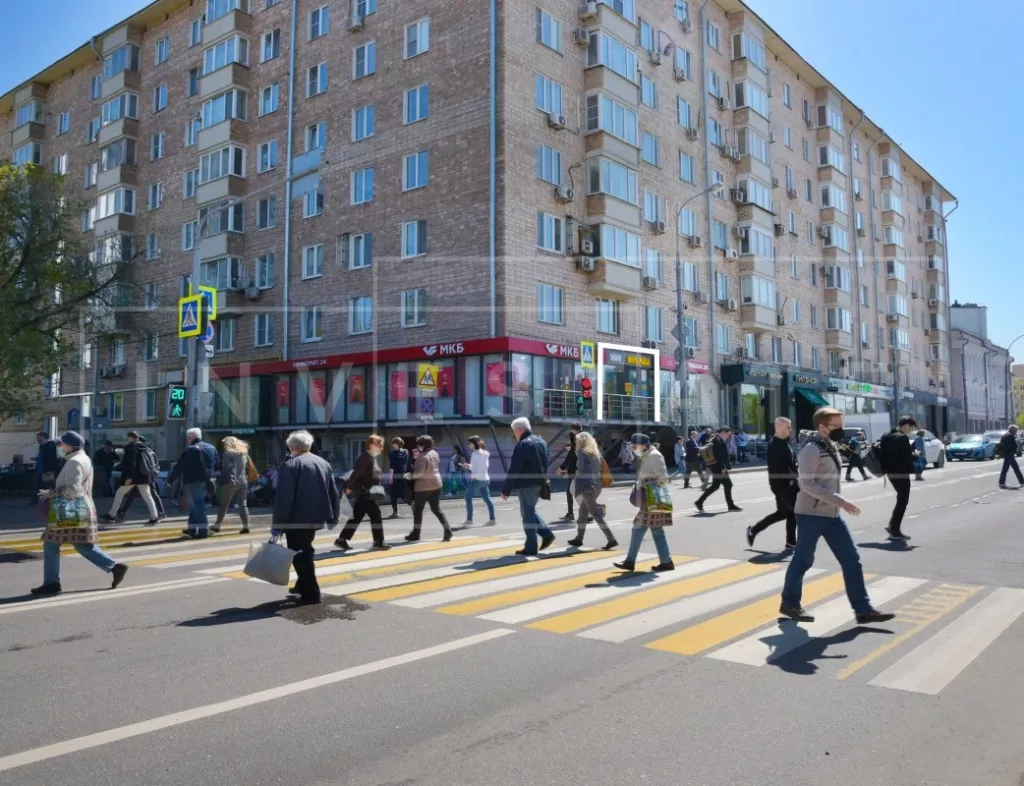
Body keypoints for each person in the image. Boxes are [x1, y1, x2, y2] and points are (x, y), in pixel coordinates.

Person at [779, 408, 896, 625]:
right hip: (811, 513)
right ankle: (789, 603)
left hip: (831, 514)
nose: (842, 430)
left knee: (852, 560)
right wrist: (841, 501)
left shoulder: (829, 445)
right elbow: (807, 484)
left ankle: (863, 610)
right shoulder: (811, 450)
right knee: (803, 560)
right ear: (822, 427)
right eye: (837, 426)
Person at [31, 431, 129, 595]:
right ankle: (114, 567)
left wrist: (51, 493)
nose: (59, 447)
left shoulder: (74, 462)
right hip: (80, 507)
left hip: (70, 508)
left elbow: (72, 490)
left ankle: (52, 583)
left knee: (52, 543)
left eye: (61, 444)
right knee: (80, 544)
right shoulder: (83, 458)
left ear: (69, 446)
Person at [273, 430, 340, 604]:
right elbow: (333, 491)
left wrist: (277, 524)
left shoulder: (290, 465)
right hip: (316, 517)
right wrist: (334, 516)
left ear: (292, 447)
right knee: (306, 550)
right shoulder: (323, 463)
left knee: (300, 555)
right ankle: (301, 586)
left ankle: (311, 593)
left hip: (295, 519)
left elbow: (284, 498)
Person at [613, 434, 674, 572]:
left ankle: (630, 561)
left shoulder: (654, 456)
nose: (633, 448)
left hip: (653, 498)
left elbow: (664, 478)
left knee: (638, 529)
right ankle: (666, 562)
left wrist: (646, 484)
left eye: (635, 445)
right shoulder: (647, 455)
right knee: (656, 530)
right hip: (651, 498)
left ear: (644, 445)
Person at [500, 417, 555, 556]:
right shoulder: (541, 442)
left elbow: (515, 469)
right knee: (529, 511)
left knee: (527, 515)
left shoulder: (523, 445)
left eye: (515, 432)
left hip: (526, 485)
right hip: (539, 483)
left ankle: (531, 546)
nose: (515, 435)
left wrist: (506, 489)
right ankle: (546, 533)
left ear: (519, 429)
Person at [747, 417, 798, 550]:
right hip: (781, 485)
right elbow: (780, 467)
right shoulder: (774, 444)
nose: (790, 430)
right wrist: (795, 479)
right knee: (788, 512)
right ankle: (754, 530)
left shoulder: (783, 443)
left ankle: (791, 542)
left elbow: (790, 464)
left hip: (788, 484)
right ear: (780, 427)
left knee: (788, 513)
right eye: (788, 427)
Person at [335, 434, 390, 550]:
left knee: (357, 517)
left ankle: (342, 539)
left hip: (367, 493)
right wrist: (349, 487)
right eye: (379, 445)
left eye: (382, 446)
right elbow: (355, 475)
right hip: (365, 493)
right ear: (371, 445)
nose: (382, 448)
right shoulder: (364, 458)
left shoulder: (371, 457)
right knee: (376, 516)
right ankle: (378, 542)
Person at [566, 431, 617, 550]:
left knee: (596, 515)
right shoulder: (596, 453)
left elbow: (583, 469)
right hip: (597, 485)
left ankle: (611, 539)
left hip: (587, 486)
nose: (577, 442)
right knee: (583, 513)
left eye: (578, 440)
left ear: (581, 441)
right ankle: (579, 538)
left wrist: (576, 472)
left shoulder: (582, 452)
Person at [168, 427, 217, 539]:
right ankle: (192, 528)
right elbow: (217, 463)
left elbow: (179, 467)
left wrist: (171, 480)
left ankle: (203, 529)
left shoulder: (190, 450)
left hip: (193, 481)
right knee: (195, 505)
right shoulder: (211, 448)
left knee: (198, 505)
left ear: (190, 438)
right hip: (208, 481)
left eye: (187, 438)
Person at [103, 431, 160, 525]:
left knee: (119, 493)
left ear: (130, 437)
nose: (127, 439)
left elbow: (131, 464)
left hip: (133, 477)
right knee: (148, 496)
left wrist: (128, 477)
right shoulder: (145, 448)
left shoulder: (131, 448)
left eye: (128, 437)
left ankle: (112, 515)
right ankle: (154, 517)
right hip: (144, 476)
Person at [405, 435, 453, 542]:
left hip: (423, 487)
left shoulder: (423, 456)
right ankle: (448, 530)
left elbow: (419, 473)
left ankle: (416, 534)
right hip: (436, 484)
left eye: (419, 444)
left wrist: (409, 476)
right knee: (436, 508)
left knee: (418, 510)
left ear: (422, 445)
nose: (418, 447)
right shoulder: (434, 453)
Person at [879, 416, 917, 542]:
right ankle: (894, 530)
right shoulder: (902, 438)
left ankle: (893, 526)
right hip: (901, 473)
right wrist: (916, 455)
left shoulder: (886, 435)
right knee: (903, 501)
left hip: (890, 473)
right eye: (910, 429)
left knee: (900, 500)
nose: (910, 432)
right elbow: (907, 458)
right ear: (906, 426)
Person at [694, 426, 742, 513]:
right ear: (723, 432)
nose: (728, 437)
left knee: (715, 486)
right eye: (728, 434)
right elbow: (718, 455)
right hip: (718, 467)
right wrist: (723, 467)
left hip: (714, 466)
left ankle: (699, 502)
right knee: (728, 485)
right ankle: (730, 505)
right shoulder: (717, 440)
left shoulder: (713, 438)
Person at [211, 436, 253, 535]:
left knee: (224, 505)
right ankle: (246, 526)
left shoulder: (228, 454)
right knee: (243, 504)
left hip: (230, 482)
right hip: (242, 481)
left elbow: (227, 468)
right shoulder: (244, 453)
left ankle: (217, 525)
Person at [463, 435, 497, 527]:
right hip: (485, 478)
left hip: (477, 479)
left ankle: (469, 520)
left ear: (474, 444)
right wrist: (469, 466)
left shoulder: (475, 454)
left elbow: (477, 468)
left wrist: (470, 469)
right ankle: (492, 519)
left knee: (467, 497)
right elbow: (482, 466)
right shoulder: (485, 453)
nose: (468, 445)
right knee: (487, 499)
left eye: (469, 443)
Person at [555, 422, 582, 521]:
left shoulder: (576, 439)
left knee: (571, 492)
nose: (571, 431)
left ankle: (573, 514)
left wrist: (561, 468)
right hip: (579, 470)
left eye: (572, 429)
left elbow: (571, 456)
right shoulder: (582, 438)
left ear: (575, 430)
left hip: (576, 470)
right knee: (575, 492)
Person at [30, 431, 61, 505]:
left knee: (49, 485)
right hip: (41, 469)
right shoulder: (41, 446)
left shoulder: (50, 445)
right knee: (37, 484)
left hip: (48, 470)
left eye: (38, 437)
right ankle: (36, 500)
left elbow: (51, 458)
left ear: (42, 437)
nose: (37, 439)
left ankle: (50, 500)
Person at [386, 437, 410, 519]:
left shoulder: (393, 454)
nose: (392, 445)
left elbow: (391, 468)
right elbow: (407, 463)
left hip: (395, 476)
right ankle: (413, 506)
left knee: (393, 494)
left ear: (396, 444)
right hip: (404, 475)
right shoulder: (406, 452)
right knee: (403, 493)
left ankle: (395, 512)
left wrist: (390, 478)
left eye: (393, 443)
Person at [998, 424, 1024, 489]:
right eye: (1016, 430)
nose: (1016, 431)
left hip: (1007, 454)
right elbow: (1014, 445)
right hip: (1009, 454)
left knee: (1015, 468)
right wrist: (1014, 450)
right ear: (1012, 429)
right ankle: (1001, 483)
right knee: (1006, 469)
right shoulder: (1010, 436)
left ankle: (1022, 482)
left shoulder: (1004, 435)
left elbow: (1001, 444)